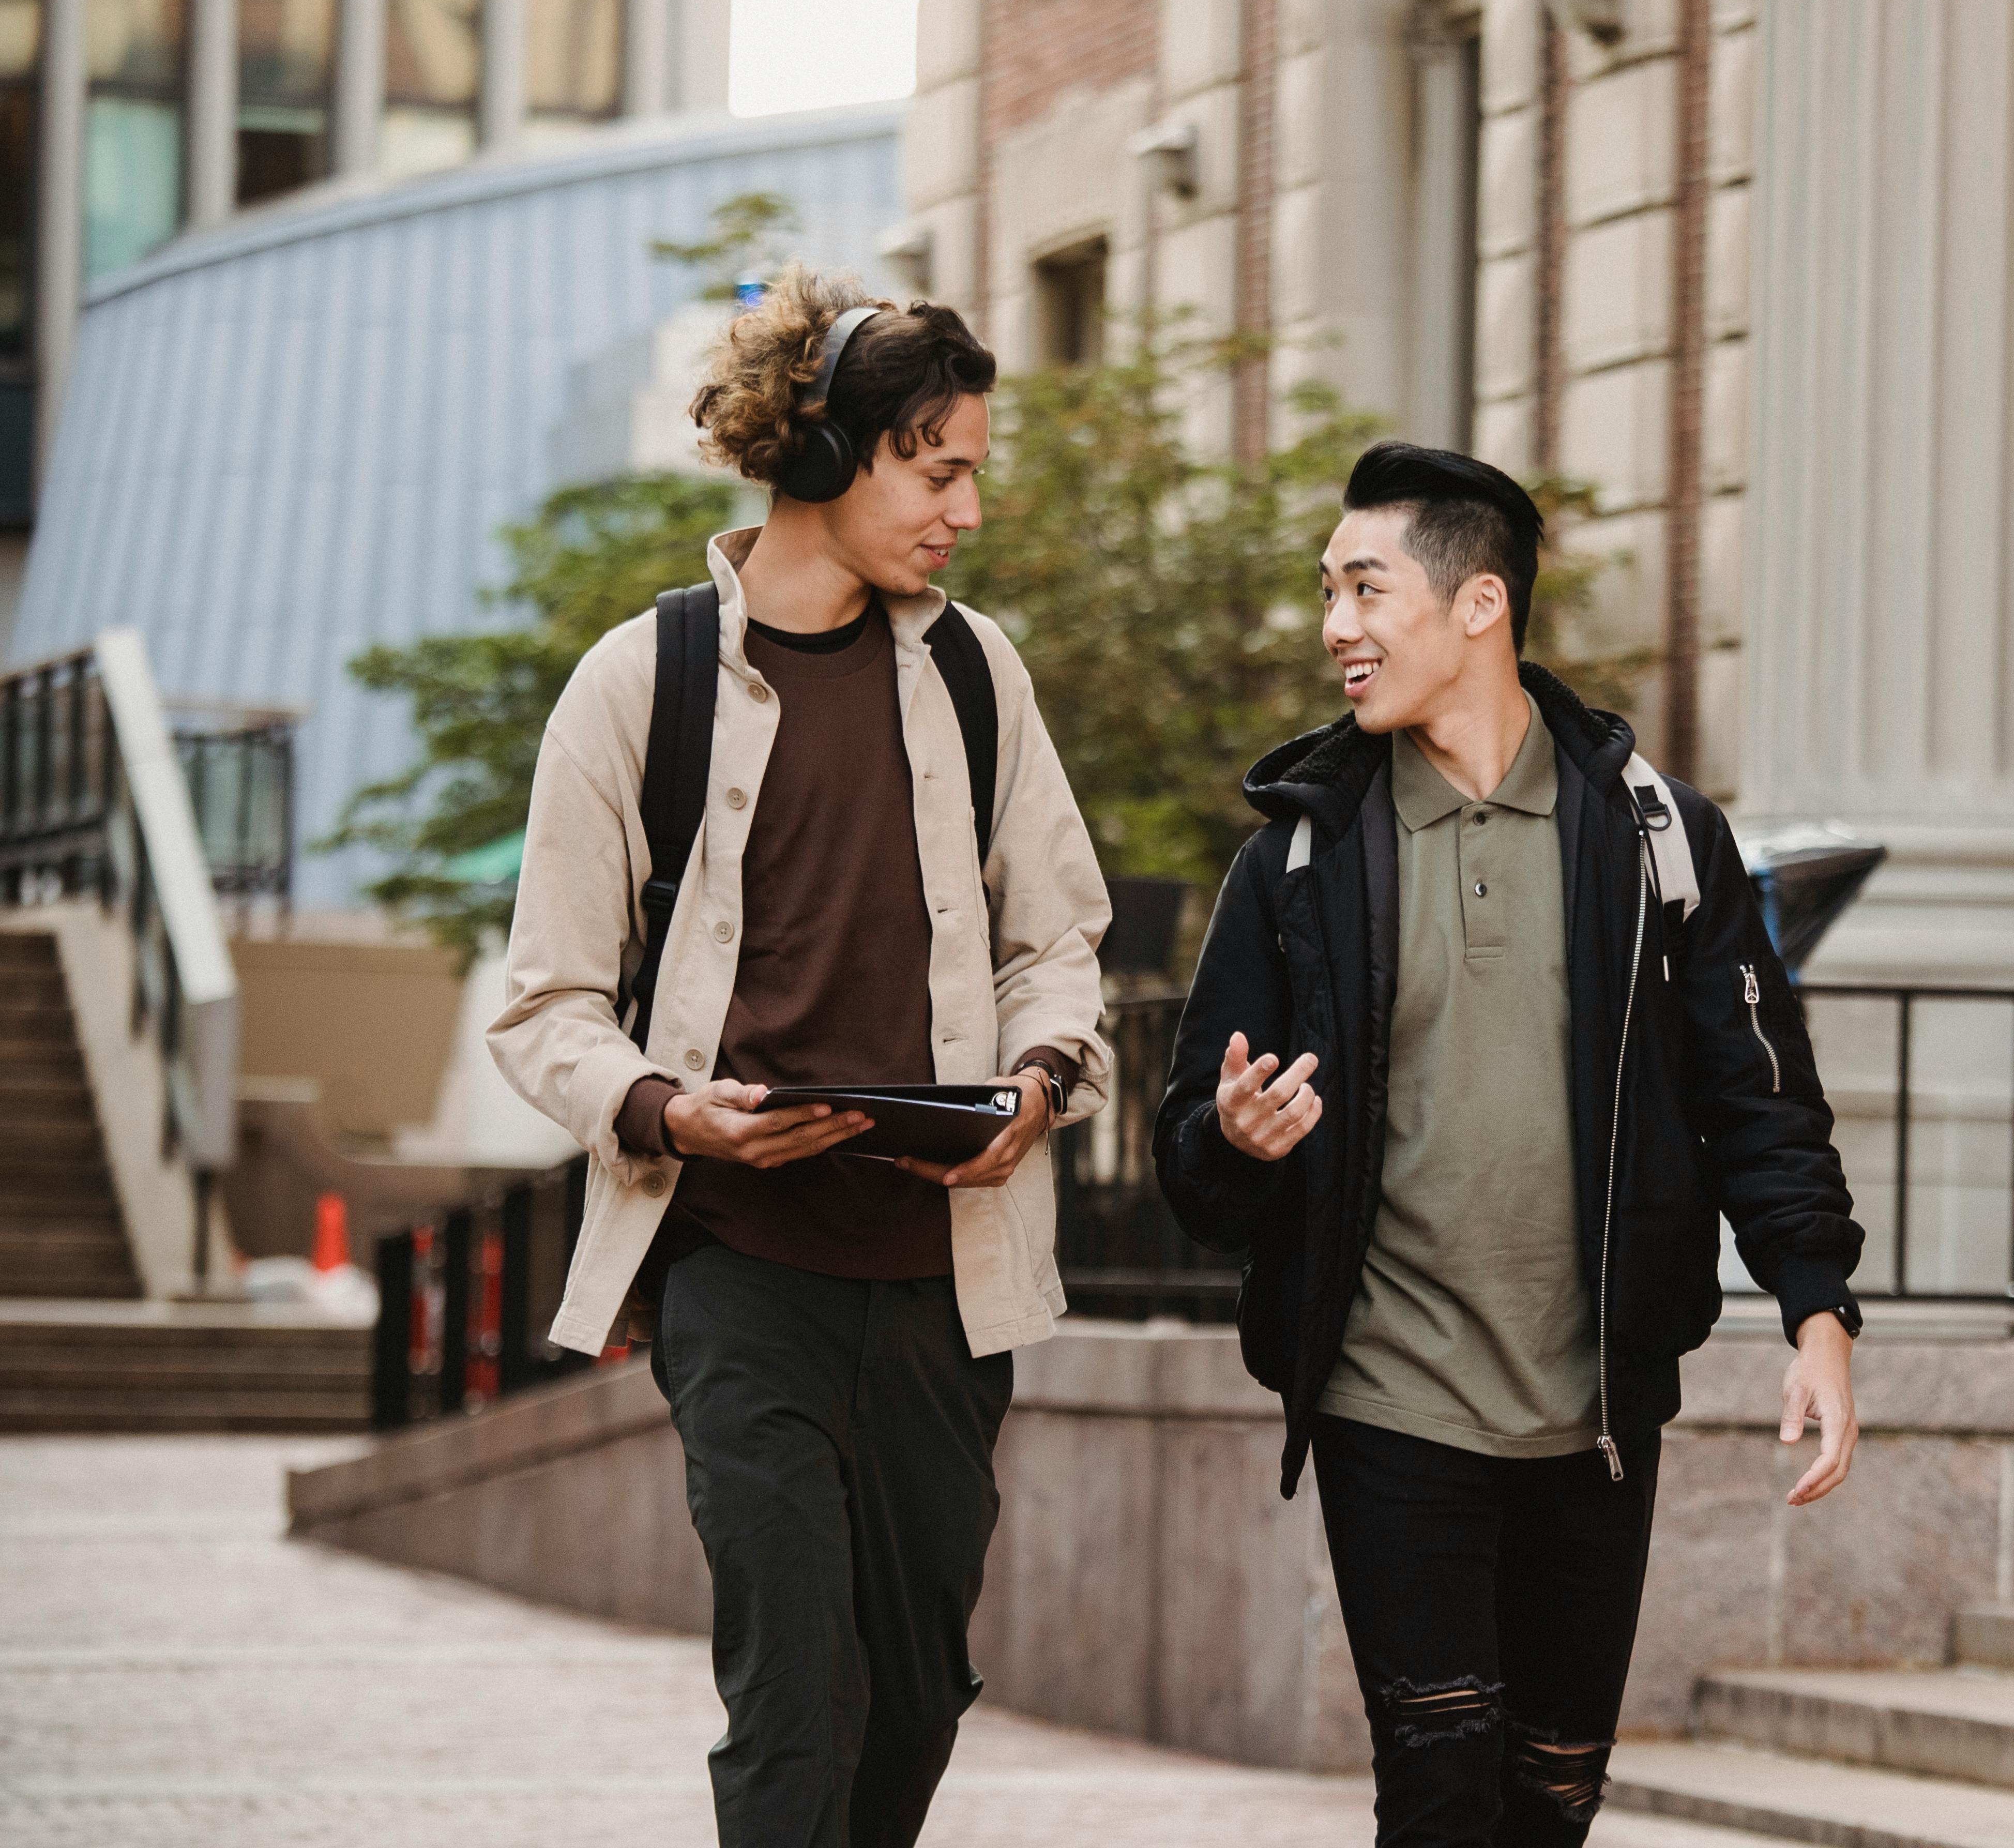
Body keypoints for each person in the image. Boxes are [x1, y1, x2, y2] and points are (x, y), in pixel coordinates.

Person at [1155, 442, 1864, 1846]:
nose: (1333, 628)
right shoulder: (1299, 859)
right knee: (1438, 1785)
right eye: (1327, 592)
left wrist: (1819, 1310)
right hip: (1390, 1393)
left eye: (1364, 589)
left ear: (1480, 606)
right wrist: (1235, 1139)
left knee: (1552, 1796)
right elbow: (1194, 1161)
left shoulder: (1657, 839)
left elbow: (1762, 1096)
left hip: (1593, 1407)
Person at [489, 265, 1112, 1848]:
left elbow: (1060, 943)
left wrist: (1034, 1093)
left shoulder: (979, 676)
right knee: (790, 1702)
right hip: (741, 1269)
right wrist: (665, 1111)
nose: (966, 509)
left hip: (943, 1274)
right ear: (826, 454)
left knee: (914, 1695)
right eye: (939, 466)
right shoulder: (643, 685)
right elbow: (546, 1001)